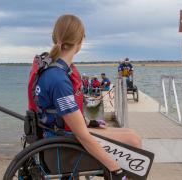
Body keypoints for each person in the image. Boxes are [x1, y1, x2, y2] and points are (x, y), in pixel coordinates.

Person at [34, 14, 141, 179]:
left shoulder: (52, 71)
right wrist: (115, 170)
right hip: (63, 145)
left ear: (55, 38)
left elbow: (64, 116)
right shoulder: (59, 79)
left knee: (130, 133)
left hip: (57, 135)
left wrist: (90, 122)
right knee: (133, 141)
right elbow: (82, 135)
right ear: (79, 42)